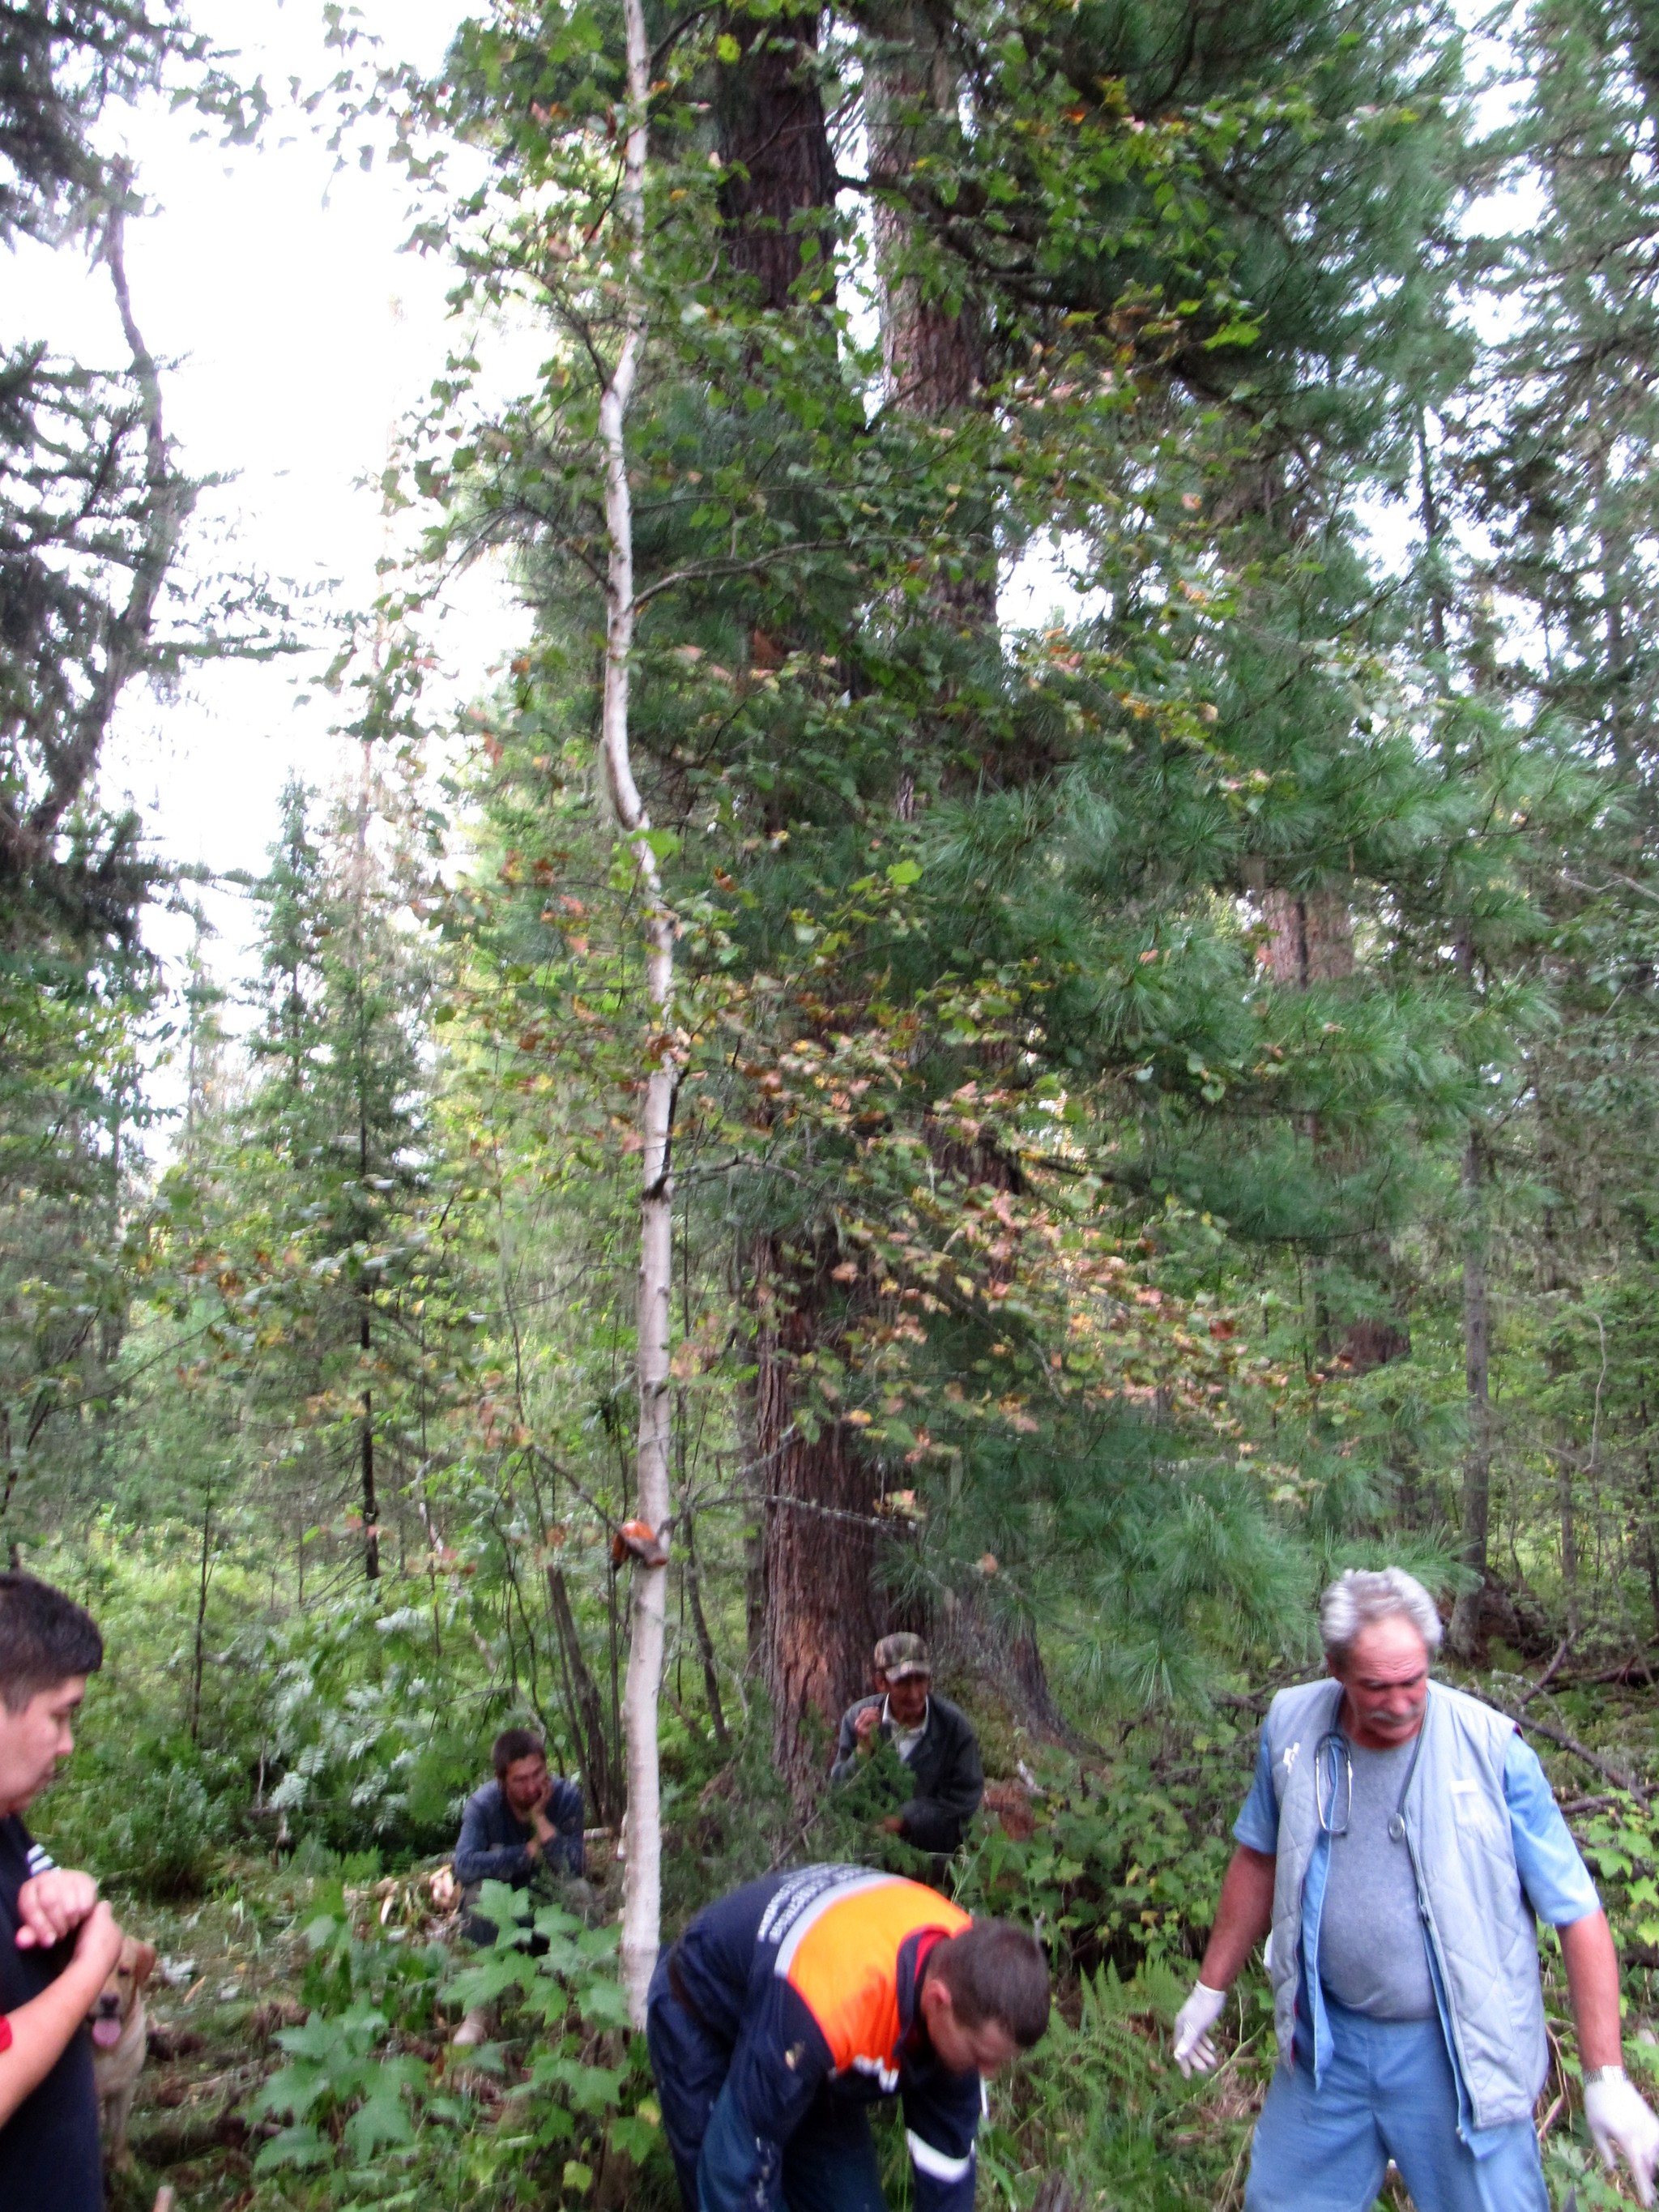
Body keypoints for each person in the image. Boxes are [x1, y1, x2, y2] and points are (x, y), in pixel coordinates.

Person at [1172, 1565, 1659, 2211]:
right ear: (1335, 1668)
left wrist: (1605, 2077)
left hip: (1457, 2054)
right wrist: (1211, 1986)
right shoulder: (1292, 1725)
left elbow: (1577, 1912)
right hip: (1327, 2048)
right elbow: (1258, 1858)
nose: (1400, 1703)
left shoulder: (1491, 1751)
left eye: (1414, 1681)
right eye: (1376, 1686)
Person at [646, 1860, 1049, 2212]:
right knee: (725, 2183)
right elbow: (736, 2169)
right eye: (981, 2057)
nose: (989, 2073)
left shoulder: (970, 1976)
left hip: (812, 2054)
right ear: (937, 1998)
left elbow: (947, 2176)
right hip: (705, 2015)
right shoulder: (833, 1998)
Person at [0, 1573, 125, 2212]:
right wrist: (87, 1974)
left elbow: (75, 1902)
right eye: (59, 1715)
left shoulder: (7, 1823)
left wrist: (72, 1898)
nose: (68, 1743)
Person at [451, 1727, 585, 2046]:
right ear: (501, 1781)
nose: (531, 1786)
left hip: (547, 1913)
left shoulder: (565, 1799)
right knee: (476, 1894)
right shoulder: (483, 1807)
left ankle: (573, 2000)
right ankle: (481, 2009)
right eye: (520, 1780)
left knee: (581, 1893)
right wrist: (524, 1854)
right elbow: (464, 1865)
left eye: (538, 1774)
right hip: (503, 1923)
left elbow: (576, 1867)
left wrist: (540, 1820)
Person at [829, 1635, 983, 1854]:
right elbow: (838, 1797)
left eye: (920, 1680)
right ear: (881, 1683)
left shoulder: (952, 1726)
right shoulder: (858, 1719)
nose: (914, 1693)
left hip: (931, 1857)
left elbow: (964, 1803)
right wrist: (863, 1751)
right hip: (866, 1854)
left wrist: (906, 1821)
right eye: (903, 1682)